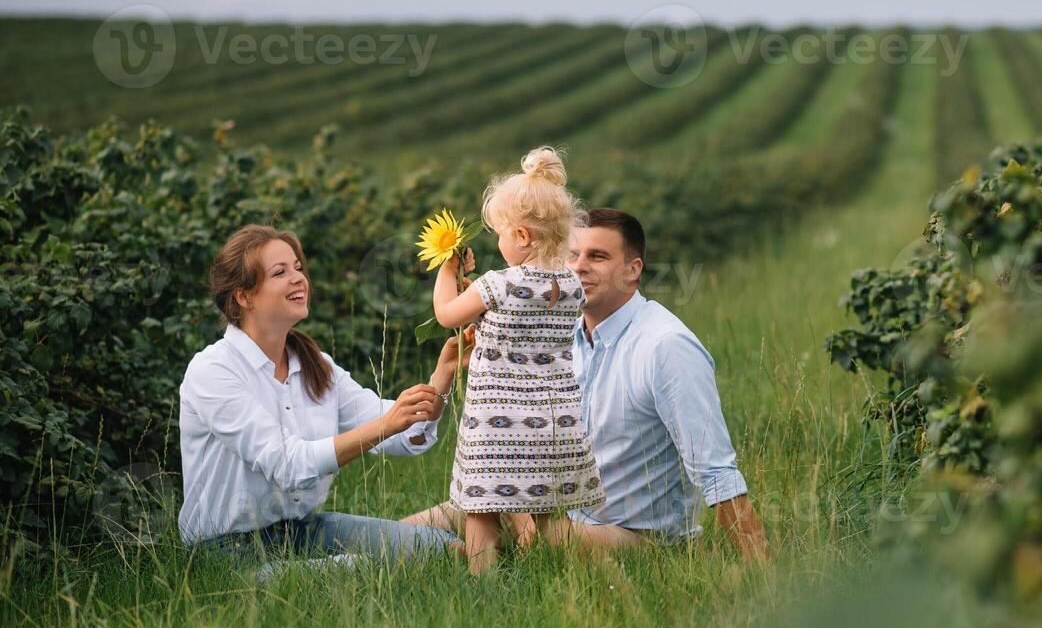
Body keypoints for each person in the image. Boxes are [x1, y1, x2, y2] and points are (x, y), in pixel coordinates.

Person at [407, 208, 769, 560]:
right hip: (554, 512)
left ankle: (450, 562)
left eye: (597, 256)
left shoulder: (664, 345)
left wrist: (762, 576)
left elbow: (716, 470)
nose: (579, 266)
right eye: (571, 254)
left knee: (525, 538)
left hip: (636, 537)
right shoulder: (556, 334)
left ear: (633, 271)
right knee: (454, 511)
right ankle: (357, 554)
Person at [178, 224, 467, 572]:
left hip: (302, 531)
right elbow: (288, 464)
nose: (298, 278)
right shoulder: (213, 370)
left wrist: (442, 375)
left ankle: (444, 521)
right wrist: (385, 424)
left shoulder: (316, 365)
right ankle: (437, 521)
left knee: (451, 553)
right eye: (279, 272)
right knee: (368, 569)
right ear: (244, 296)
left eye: (298, 267)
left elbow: (404, 436)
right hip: (226, 550)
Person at [430, 147, 605, 573]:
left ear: (522, 237)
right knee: (552, 521)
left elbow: (446, 314)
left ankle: (483, 592)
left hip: (498, 428)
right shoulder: (570, 285)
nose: (498, 242)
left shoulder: (497, 284)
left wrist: (447, 273)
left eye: (501, 234)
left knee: (481, 513)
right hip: (553, 424)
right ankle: (596, 581)